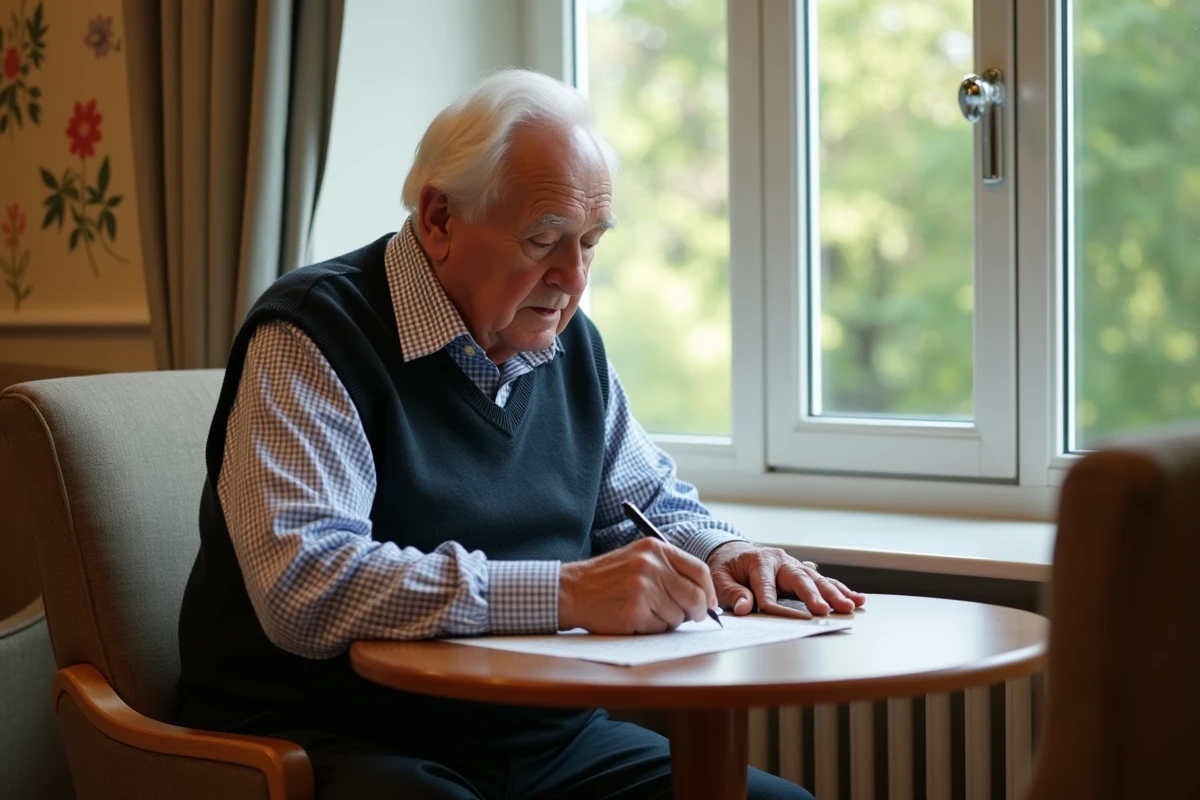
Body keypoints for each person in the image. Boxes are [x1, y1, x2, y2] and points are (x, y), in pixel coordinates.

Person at [175, 68, 865, 800]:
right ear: (440, 219)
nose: (574, 277)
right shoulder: (313, 333)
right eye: (544, 240)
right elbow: (306, 585)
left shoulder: (570, 345)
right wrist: (566, 593)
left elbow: (643, 507)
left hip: (544, 739)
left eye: (590, 243)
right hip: (332, 734)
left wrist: (725, 553)